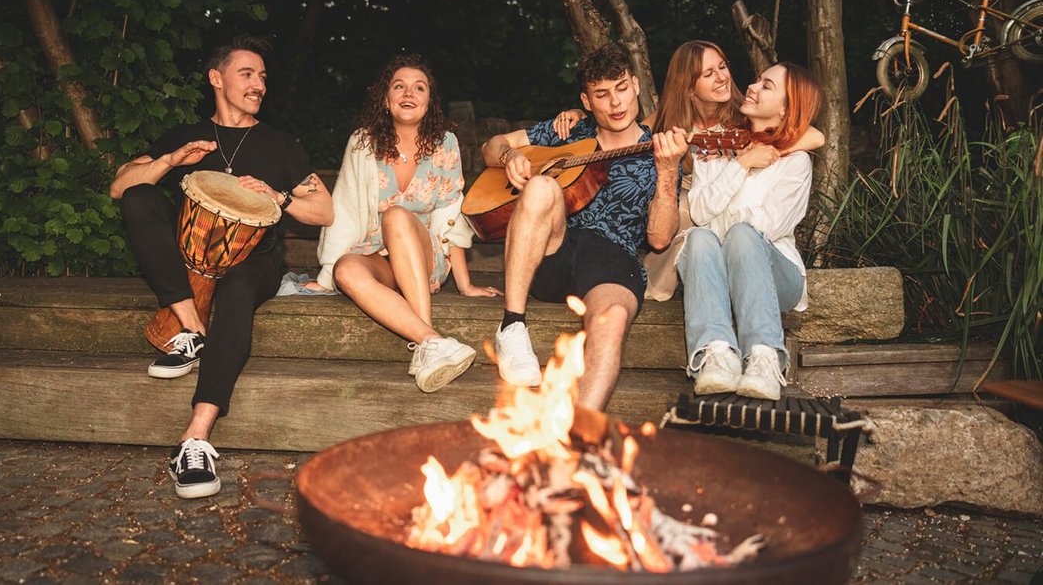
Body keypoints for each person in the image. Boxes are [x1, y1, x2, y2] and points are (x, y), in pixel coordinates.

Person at [109, 36, 334, 499]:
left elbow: (324, 212)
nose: (258, 85)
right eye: (247, 74)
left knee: (235, 284)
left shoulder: (280, 145)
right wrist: (171, 160)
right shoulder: (183, 136)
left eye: (263, 77)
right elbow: (119, 187)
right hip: (187, 260)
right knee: (140, 195)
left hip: (257, 261)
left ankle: (195, 438)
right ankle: (191, 327)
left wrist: (279, 196)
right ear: (216, 78)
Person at [481, 43, 686, 410]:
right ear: (586, 100)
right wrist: (510, 155)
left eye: (622, 88)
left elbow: (658, 239)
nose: (616, 103)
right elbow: (492, 145)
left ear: (636, 85)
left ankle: (576, 438)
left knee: (611, 321)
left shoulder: (660, 151)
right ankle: (512, 325)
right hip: (552, 250)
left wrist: (668, 170)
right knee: (542, 186)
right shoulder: (567, 132)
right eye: (602, 94)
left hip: (614, 257)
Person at [552, 40, 824, 301]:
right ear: (690, 88)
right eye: (709, 73)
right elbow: (631, 136)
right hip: (685, 194)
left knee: (689, 214)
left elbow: (815, 137)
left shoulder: (743, 112)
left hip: (721, 203)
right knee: (672, 207)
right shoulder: (669, 119)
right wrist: (581, 112)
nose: (722, 77)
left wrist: (754, 148)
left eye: (723, 67)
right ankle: (645, 276)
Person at [310, 54, 495, 392]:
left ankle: (426, 338)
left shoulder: (445, 144)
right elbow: (346, 208)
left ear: (428, 101)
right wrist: (326, 277)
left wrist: (465, 284)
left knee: (396, 215)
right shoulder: (363, 143)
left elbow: (453, 213)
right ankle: (432, 342)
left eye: (419, 87)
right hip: (379, 257)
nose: (409, 93)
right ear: (386, 98)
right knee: (346, 271)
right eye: (399, 86)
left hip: (425, 257)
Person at [678, 61, 824, 401]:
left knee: (741, 234)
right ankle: (715, 354)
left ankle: (764, 358)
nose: (753, 87)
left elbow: (768, 227)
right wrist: (740, 164)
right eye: (757, 80)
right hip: (718, 272)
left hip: (777, 277)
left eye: (767, 86)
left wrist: (722, 212)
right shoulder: (715, 146)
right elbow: (699, 214)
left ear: (787, 107)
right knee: (699, 238)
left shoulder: (795, 161)